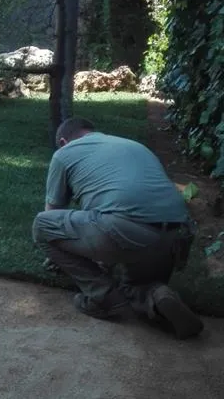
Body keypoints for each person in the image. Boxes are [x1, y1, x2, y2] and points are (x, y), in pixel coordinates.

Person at [32, 118, 204, 339]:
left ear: (64, 141)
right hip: (176, 238)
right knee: (133, 284)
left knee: (42, 225)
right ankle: (158, 294)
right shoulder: (133, 146)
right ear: (92, 132)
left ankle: (102, 298)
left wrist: (61, 254)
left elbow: (51, 215)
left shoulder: (64, 154)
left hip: (125, 230)